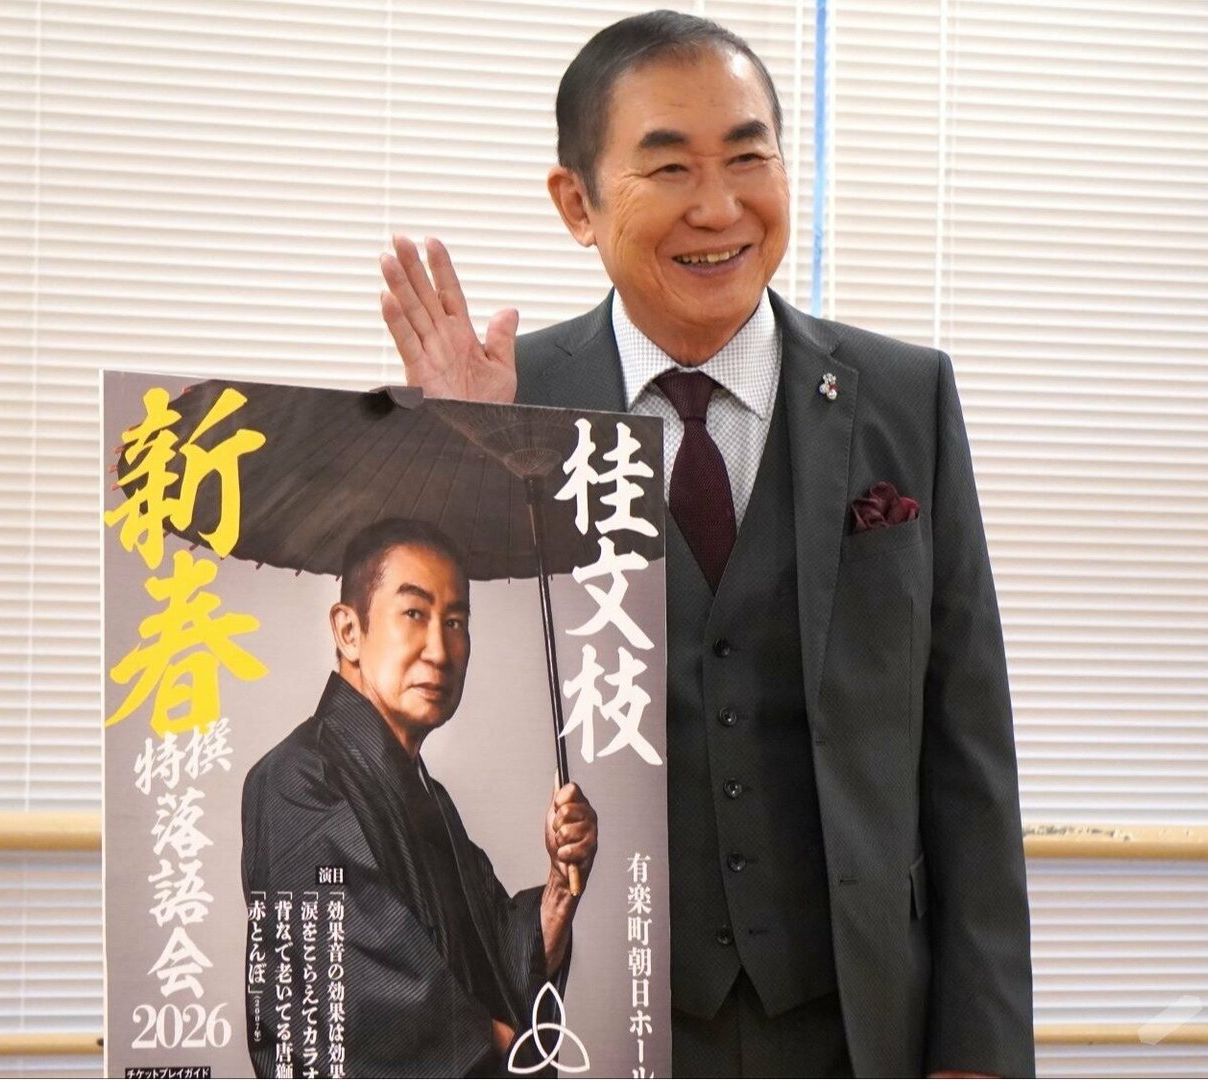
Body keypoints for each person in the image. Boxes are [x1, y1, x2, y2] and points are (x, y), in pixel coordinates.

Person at [375, 10, 1034, 1079]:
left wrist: (980, 1053)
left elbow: (970, 751)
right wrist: (460, 451)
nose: (719, 207)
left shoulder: (903, 397)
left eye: (747, 157)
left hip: (853, 1022)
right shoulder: (507, 398)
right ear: (577, 203)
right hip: (607, 1020)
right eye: (670, 166)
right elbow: (450, 688)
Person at [239, 517, 599, 1078]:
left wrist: (559, 887)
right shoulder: (296, 779)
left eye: (455, 622)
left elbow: (495, 958)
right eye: (414, 613)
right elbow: (357, 995)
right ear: (348, 630)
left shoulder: (429, 796)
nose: (440, 649)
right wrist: (499, 1044)